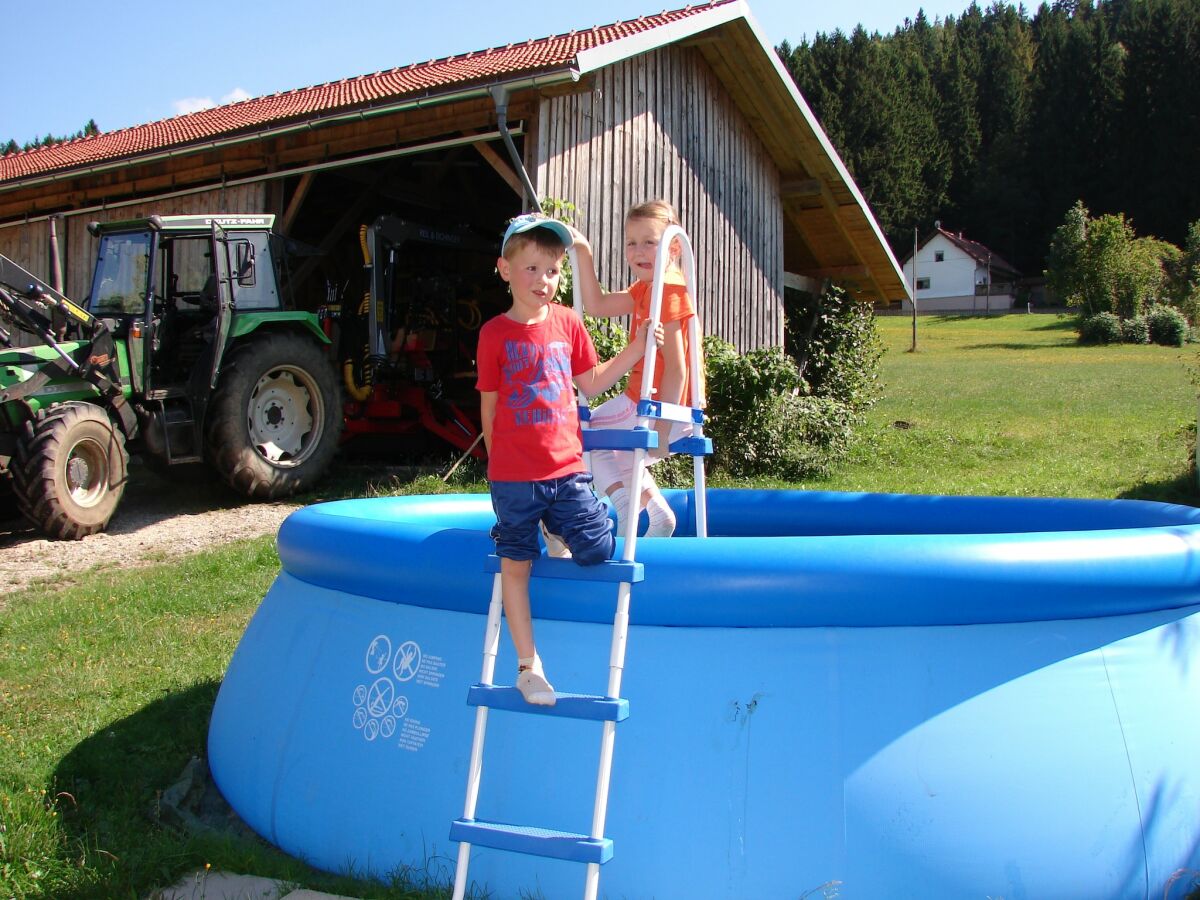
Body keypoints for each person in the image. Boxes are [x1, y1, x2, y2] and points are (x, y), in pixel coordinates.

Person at [476, 213, 662, 706]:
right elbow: (489, 406)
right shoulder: (494, 334)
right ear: (505, 269)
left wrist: (636, 349)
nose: (544, 280)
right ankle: (527, 665)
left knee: (599, 550)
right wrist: (499, 468)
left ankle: (555, 526)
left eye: (553, 270)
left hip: (565, 471)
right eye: (532, 269)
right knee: (515, 566)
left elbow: (594, 381)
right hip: (514, 479)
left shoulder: (568, 323)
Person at [567, 199, 700, 540]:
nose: (639, 251)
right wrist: (582, 250)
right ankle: (657, 513)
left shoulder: (667, 291)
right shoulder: (646, 288)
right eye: (631, 242)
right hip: (651, 403)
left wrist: (662, 430)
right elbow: (596, 305)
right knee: (609, 443)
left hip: (660, 405)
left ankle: (625, 509)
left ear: (673, 248)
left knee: (583, 433)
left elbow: (678, 369)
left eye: (649, 242)